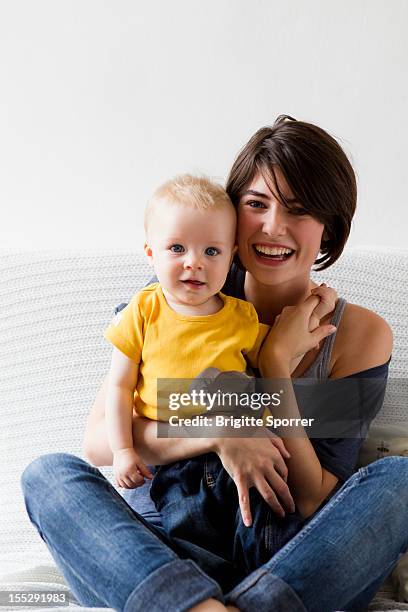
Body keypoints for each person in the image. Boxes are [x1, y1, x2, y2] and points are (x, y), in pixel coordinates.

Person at [21, 115, 408, 612]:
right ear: (232, 211)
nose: (273, 227)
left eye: (300, 210)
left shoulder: (357, 335)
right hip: (160, 547)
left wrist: (273, 365)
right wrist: (220, 431)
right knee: (49, 475)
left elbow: (313, 498)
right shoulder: (173, 297)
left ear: (329, 226)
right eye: (256, 204)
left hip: (282, 554)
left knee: (399, 482)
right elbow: (99, 443)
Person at [103, 173, 336, 587]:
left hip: (255, 455)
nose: (194, 262)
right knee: (189, 532)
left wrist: (310, 316)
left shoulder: (240, 316)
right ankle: (210, 591)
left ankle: (261, 584)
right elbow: (120, 389)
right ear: (150, 253)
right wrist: (122, 449)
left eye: (211, 251)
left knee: (268, 522)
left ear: (231, 256)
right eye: (177, 248)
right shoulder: (143, 311)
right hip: (179, 466)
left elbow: (285, 356)